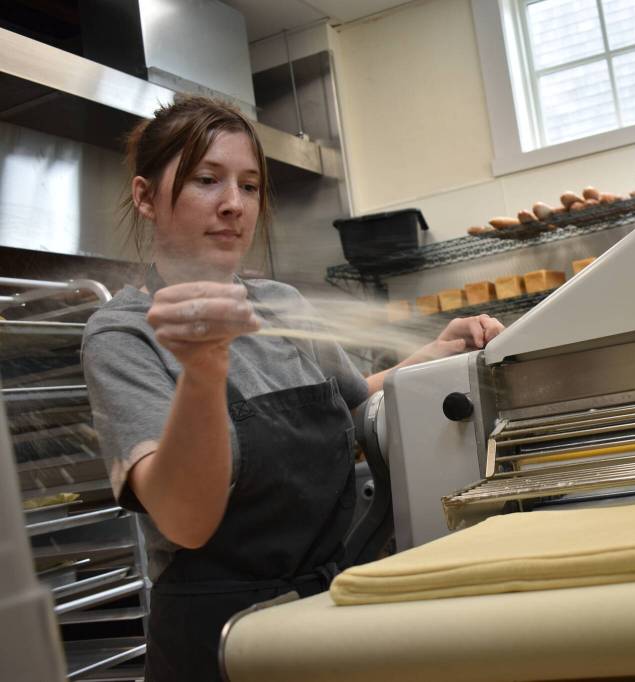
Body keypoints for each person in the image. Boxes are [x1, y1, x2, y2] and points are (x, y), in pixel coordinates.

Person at [81, 96, 504, 681]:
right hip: (220, 640)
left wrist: (439, 352)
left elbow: (352, 403)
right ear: (146, 197)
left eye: (250, 186)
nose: (233, 205)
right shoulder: (124, 334)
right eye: (207, 180)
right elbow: (184, 520)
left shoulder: (281, 303)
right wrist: (204, 368)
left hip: (325, 612)